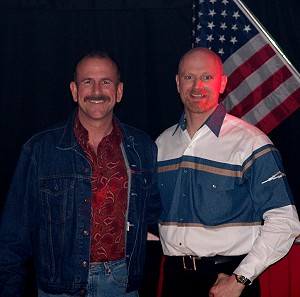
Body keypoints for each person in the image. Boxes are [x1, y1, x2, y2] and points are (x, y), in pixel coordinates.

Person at [0, 50, 162, 297]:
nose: (97, 90)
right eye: (88, 81)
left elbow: (154, 215)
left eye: (105, 82)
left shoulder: (142, 148)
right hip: (59, 288)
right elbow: (13, 235)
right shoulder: (40, 150)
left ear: (119, 91)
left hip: (120, 286)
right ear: (75, 91)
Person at [155, 47, 300, 297]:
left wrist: (240, 278)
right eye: (189, 77)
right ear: (178, 83)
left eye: (207, 77)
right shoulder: (161, 145)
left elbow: (286, 221)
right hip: (174, 279)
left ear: (222, 84)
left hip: (228, 280)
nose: (197, 86)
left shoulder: (251, 143)